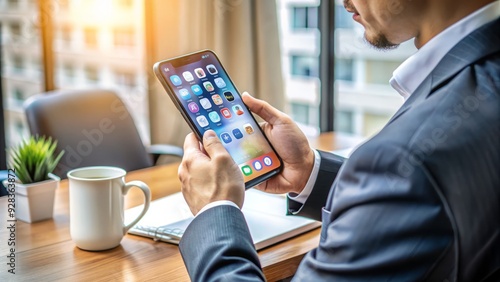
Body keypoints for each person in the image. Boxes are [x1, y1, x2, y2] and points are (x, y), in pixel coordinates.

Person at [178, 0, 500, 281]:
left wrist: (215, 212)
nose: (344, 3)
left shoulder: (408, 157)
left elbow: (410, 182)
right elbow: (423, 206)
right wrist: (310, 173)